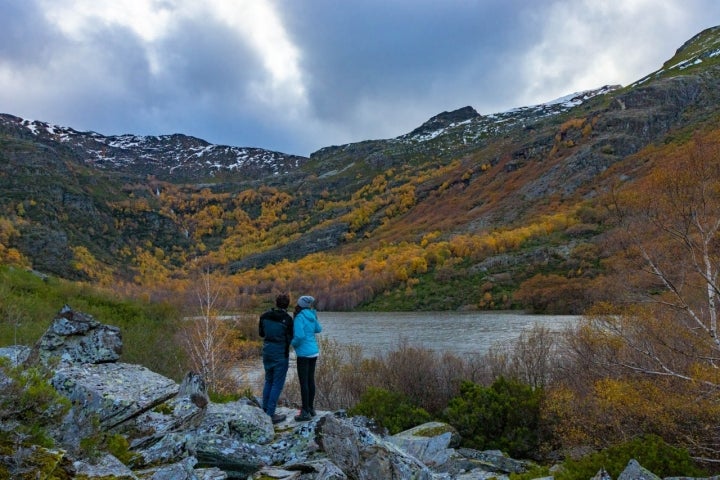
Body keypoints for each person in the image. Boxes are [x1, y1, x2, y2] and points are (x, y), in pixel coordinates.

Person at [259, 293, 293, 424]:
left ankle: (265, 410)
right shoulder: (288, 319)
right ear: (287, 304)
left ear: (276, 302)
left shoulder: (264, 316)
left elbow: (261, 333)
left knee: (268, 380)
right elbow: (290, 338)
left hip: (267, 351)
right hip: (280, 353)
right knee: (277, 384)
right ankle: (270, 414)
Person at [291, 295, 322, 421]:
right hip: (314, 351)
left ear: (299, 304)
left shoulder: (299, 317)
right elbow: (318, 329)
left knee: (304, 382)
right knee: (310, 380)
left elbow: (299, 336)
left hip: (304, 353)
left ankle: (304, 412)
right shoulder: (311, 315)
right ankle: (310, 408)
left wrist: (292, 344)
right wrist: (315, 317)